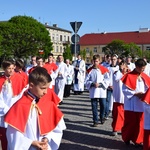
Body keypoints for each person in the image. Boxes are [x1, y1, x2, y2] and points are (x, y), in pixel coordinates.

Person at [5, 67, 66, 150]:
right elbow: (13, 136)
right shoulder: (19, 106)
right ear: (31, 85)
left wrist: (47, 138)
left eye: (47, 88)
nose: (46, 92)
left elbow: (57, 129)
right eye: (43, 88)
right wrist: (31, 143)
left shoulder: (48, 104)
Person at [121, 58, 150, 146]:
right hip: (131, 104)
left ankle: (137, 140)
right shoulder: (129, 75)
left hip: (141, 103)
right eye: (141, 69)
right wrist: (135, 93)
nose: (143, 70)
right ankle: (126, 137)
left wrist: (144, 94)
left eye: (144, 69)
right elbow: (125, 90)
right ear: (137, 67)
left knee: (140, 123)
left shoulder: (144, 76)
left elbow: (148, 88)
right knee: (130, 123)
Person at [0, 59, 27, 150]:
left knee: (15, 136)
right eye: (9, 68)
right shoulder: (1, 80)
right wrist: (5, 109)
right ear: (4, 68)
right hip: (3, 111)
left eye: (13, 68)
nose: (11, 70)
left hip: (16, 111)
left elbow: (23, 94)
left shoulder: (19, 78)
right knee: (4, 135)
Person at [85, 54, 109, 126]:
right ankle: (95, 121)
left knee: (103, 105)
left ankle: (102, 117)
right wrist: (92, 84)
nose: (96, 63)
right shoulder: (90, 70)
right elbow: (86, 80)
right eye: (94, 61)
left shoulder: (103, 69)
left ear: (99, 61)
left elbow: (107, 79)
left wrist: (101, 84)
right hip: (93, 90)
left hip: (102, 90)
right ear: (93, 61)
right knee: (94, 106)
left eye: (97, 61)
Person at [111, 61, 128, 136]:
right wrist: (122, 72)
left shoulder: (128, 74)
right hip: (118, 98)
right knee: (117, 115)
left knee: (125, 115)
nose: (123, 66)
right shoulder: (116, 73)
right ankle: (115, 129)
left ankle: (123, 129)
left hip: (126, 98)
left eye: (124, 65)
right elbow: (117, 79)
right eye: (121, 65)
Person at [105, 54, 119, 120]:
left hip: (116, 87)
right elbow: (106, 77)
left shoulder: (118, 68)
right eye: (112, 59)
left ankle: (114, 114)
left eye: (114, 59)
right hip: (109, 87)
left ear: (117, 60)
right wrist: (108, 85)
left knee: (115, 101)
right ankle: (106, 113)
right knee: (107, 100)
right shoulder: (108, 68)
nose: (113, 61)